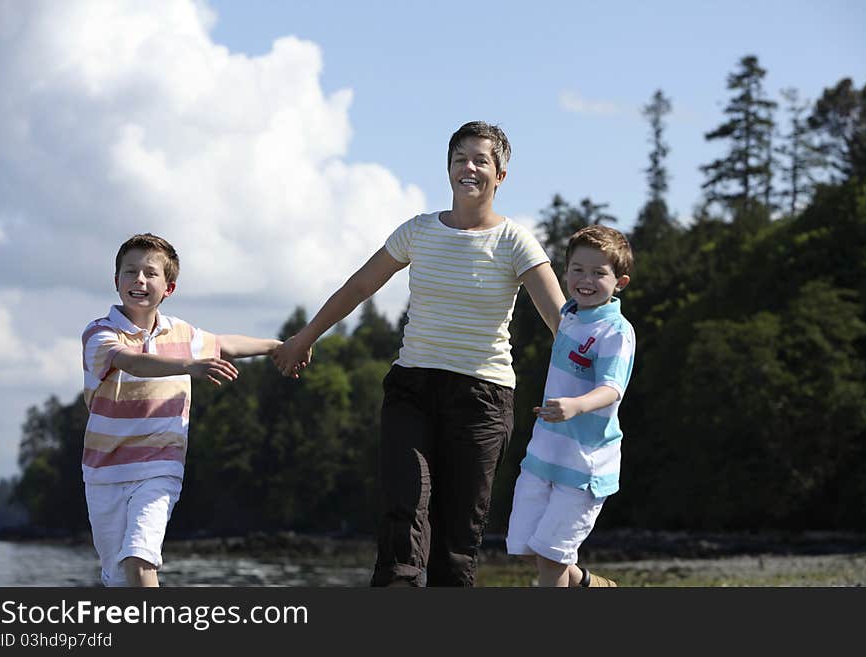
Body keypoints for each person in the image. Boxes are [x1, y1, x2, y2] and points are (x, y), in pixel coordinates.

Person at [272, 121, 566, 586]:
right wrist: (305, 337)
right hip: (412, 387)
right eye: (459, 158)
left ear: (501, 175)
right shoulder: (418, 231)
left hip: (481, 398)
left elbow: (561, 324)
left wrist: (594, 389)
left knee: (457, 536)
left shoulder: (515, 242)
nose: (468, 168)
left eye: (480, 160)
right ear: (448, 168)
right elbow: (360, 286)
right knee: (404, 505)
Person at [81, 233, 282, 587]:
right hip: (105, 472)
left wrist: (279, 345)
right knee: (118, 577)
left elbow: (226, 345)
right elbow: (134, 362)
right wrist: (189, 366)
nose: (139, 280)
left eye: (150, 273)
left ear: (169, 288)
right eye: (130, 272)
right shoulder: (100, 334)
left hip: (160, 465)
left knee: (140, 557)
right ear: (116, 282)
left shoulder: (183, 333)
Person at [505, 224, 635, 587]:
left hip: (585, 465)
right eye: (578, 269)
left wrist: (577, 405)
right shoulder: (570, 316)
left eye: (599, 273)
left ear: (619, 282)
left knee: (551, 557)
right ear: (566, 272)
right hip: (545, 454)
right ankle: (591, 585)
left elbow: (612, 388)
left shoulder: (616, 332)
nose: (586, 280)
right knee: (530, 549)